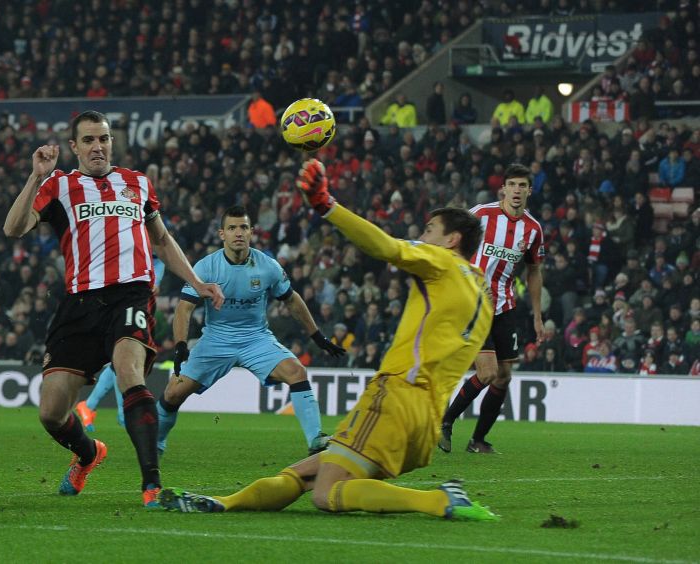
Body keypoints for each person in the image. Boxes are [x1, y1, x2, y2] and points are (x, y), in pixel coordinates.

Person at [160, 159, 497, 522]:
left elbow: (388, 248)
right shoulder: (483, 292)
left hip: (397, 397)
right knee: (304, 474)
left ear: (452, 240)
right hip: (426, 421)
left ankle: (439, 500)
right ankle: (224, 503)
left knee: (327, 494)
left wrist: (326, 205)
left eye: (430, 230)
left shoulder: (441, 260)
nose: (423, 235)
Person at [2, 110, 224, 507]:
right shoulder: (59, 185)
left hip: (131, 296)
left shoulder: (137, 183)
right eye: (88, 140)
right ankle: (89, 454)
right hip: (79, 304)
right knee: (51, 413)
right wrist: (36, 176)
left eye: (103, 138)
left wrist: (196, 283)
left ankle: (151, 486)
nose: (98, 146)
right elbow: (14, 228)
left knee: (129, 373)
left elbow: (162, 240)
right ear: (74, 147)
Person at [160, 205, 345, 456]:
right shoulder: (205, 268)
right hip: (216, 339)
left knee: (297, 372)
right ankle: (157, 443)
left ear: (251, 232)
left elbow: (292, 300)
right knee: (172, 394)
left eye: (243, 227)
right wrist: (181, 345)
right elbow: (184, 309)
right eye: (232, 228)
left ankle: (315, 440)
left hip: (255, 338)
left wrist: (317, 335)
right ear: (221, 234)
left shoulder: (267, 266)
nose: (238, 233)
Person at [439, 163, 545, 454]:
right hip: (472, 304)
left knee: (504, 375)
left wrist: (537, 315)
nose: (517, 190)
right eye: (512, 184)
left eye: (523, 185)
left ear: (529, 191)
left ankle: (478, 441)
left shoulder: (533, 229)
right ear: (503, 189)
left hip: (504, 305)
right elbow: (450, 244)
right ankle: (445, 421)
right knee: (486, 372)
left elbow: (534, 271)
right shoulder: (481, 215)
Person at [75, 256, 166, 431]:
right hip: (121, 305)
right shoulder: (132, 248)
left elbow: (155, 286)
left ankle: (90, 406)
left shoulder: (157, 258)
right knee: (123, 359)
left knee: (120, 362)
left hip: (139, 306)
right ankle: (121, 413)